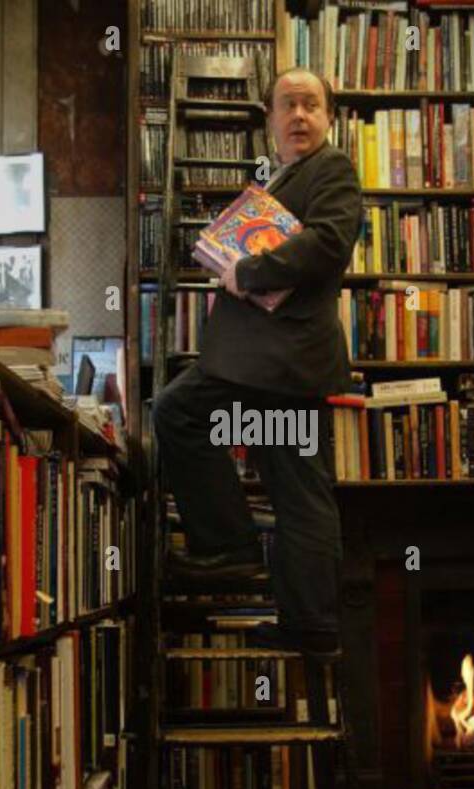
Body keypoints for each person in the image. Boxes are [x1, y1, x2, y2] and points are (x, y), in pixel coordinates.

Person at [153, 67, 362, 657]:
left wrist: (245, 270)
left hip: (283, 362)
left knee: (179, 413)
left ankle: (230, 547)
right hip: (270, 366)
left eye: (311, 105)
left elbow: (326, 243)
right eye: (287, 105)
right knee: (295, 486)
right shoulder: (283, 177)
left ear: (328, 118)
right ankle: (309, 624)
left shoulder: (333, 169)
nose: (299, 115)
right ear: (270, 120)